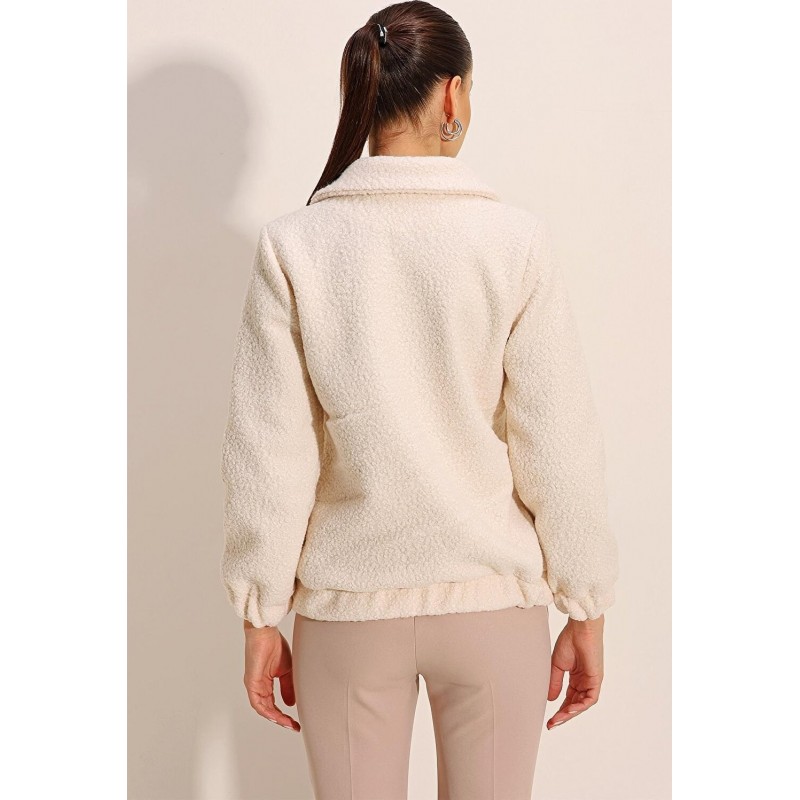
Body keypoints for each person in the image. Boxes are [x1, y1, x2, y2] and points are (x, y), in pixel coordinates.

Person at [219, 2, 619, 797]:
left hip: (348, 610)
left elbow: (268, 448)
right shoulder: (514, 242)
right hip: (490, 603)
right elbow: (557, 440)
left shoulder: (296, 245)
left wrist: (260, 613)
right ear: (453, 94)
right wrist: (587, 605)